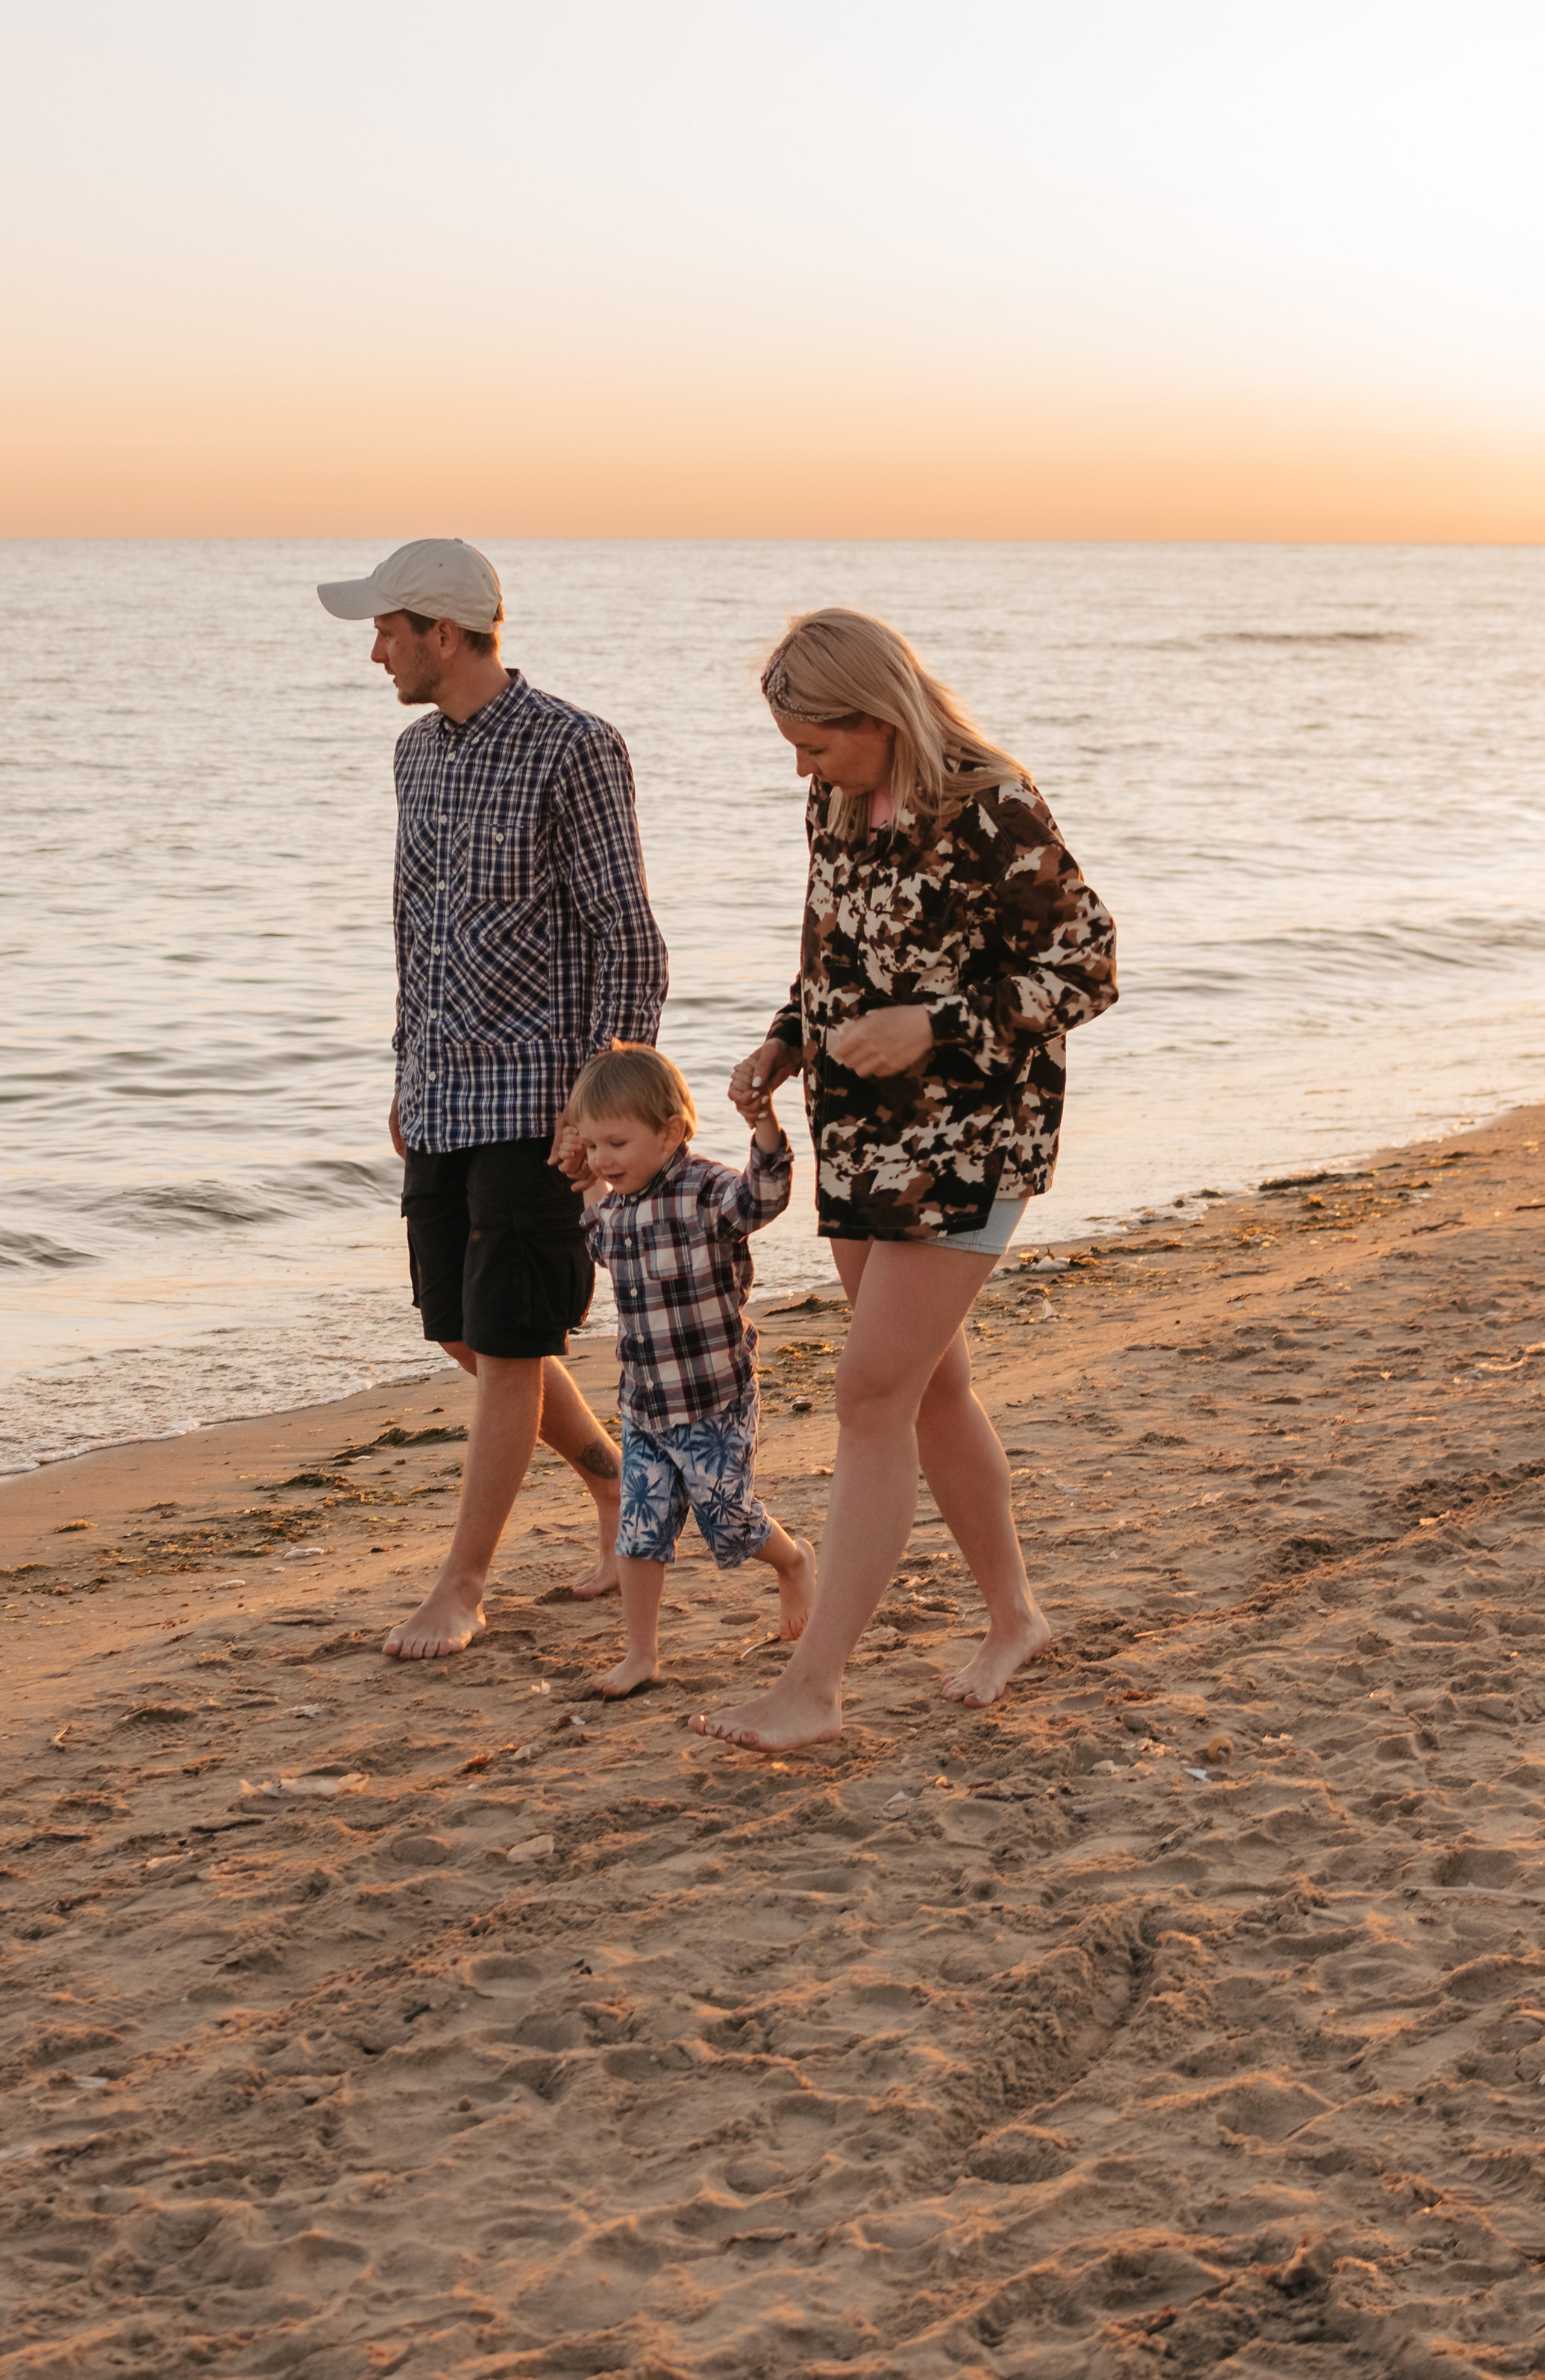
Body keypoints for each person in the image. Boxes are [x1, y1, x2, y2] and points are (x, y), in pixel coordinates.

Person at [696, 605, 1118, 1750]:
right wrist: (788, 1036)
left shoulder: (994, 806)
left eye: (816, 743)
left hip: (970, 1141)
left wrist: (934, 1026)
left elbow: (1087, 967)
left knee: (869, 1394)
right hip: (856, 1137)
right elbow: (836, 957)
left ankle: (816, 1689)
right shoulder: (837, 801)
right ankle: (1014, 1615)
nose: (802, 765)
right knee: (929, 1391)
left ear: (877, 716)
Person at [317, 537, 668, 1658]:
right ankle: (617, 1484)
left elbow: (629, 934)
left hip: (543, 1101)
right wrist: (403, 1068)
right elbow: (412, 930)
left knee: (514, 1340)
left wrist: (607, 1106)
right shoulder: (415, 756)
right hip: (442, 1093)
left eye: (386, 630)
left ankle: (462, 1588)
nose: (375, 651)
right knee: (461, 1332)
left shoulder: (575, 747)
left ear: (445, 633)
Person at [567, 1042, 815, 1699]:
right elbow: (598, 1238)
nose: (603, 1159)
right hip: (645, 1404)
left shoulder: (705, 1190)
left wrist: (763, 1124)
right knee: (639, 1531)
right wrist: (586, 1180)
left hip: (713, 1400)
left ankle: (793, 1561)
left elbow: (762, 1197)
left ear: (672, 1131)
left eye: (616, 1144)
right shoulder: (615, 1205)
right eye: (592, 1145)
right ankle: (641, 1654)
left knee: (726, 1520)